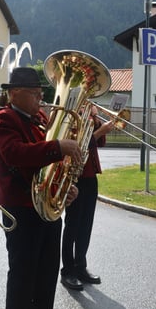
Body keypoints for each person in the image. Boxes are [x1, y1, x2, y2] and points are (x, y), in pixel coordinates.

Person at [0, 67, 81, 309]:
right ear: (14, 93)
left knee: (48, 267)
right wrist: (57, 146)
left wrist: (64, 187)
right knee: (23, 271)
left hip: (45, 204)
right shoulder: (5, 118)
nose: (40, 98)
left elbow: (49, 164)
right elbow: (15, 154)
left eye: (41, 92)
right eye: (34, 93)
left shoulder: (40, 118)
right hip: (20, 207)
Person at [60, 105, 113, 291]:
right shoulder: (71, 118)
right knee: (72, 225)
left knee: (86, 225)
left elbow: (99, 144)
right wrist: (98, 131)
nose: (90, 105)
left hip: (90, 177)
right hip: (75, 177)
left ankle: (80, 266)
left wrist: (97, 123)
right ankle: (68, 270)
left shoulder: (88, 120)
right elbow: (76, 144)